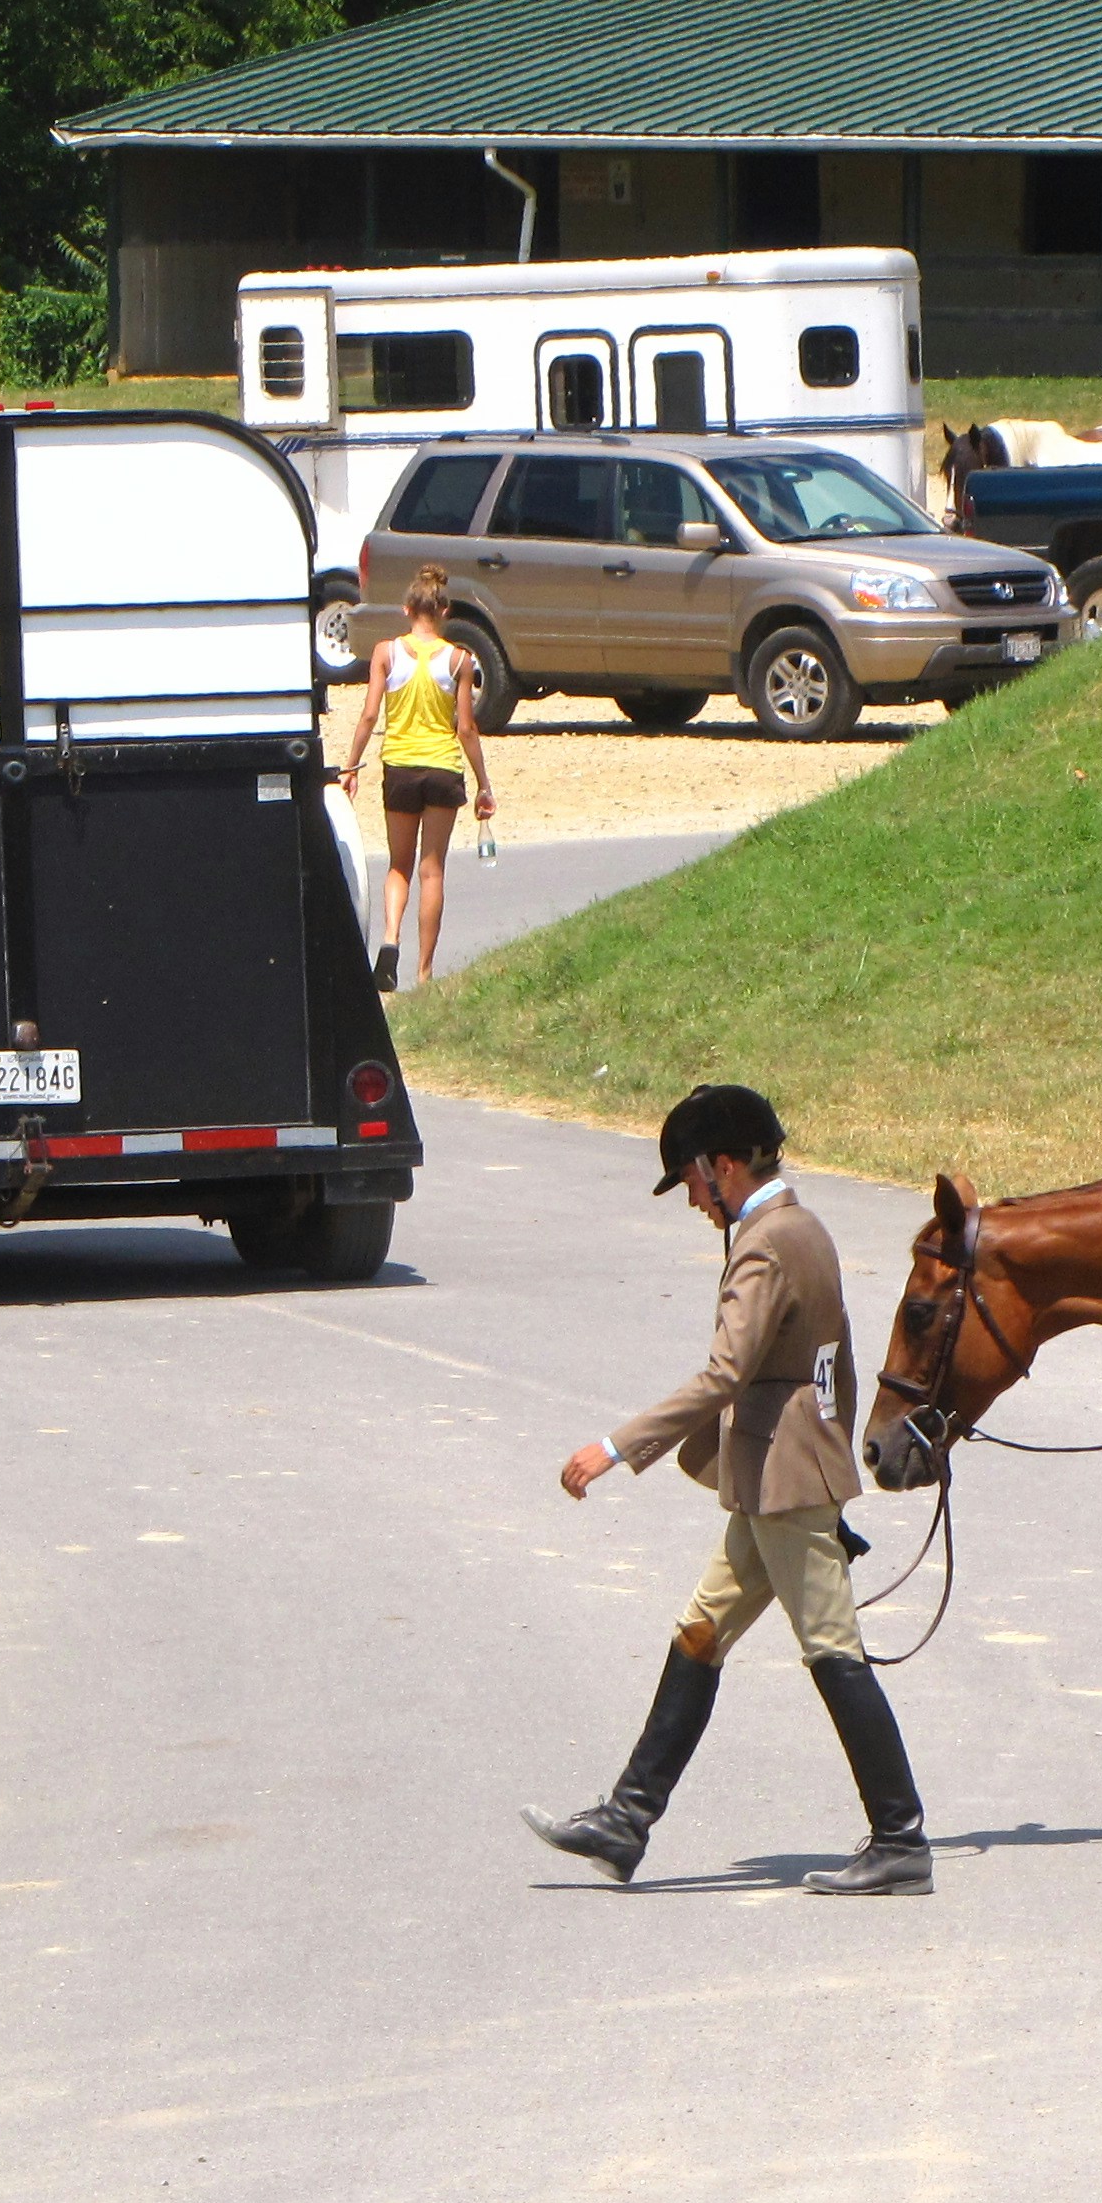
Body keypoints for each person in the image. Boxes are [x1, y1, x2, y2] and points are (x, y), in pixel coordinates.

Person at [524, 1084, 933, 1897]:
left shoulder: (764, 1245)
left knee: (832, 1651)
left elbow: (725, 1372)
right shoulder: (803, 1229)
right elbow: (835, 1369)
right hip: (775, 1480)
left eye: (691, 1182)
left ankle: (900, 1840)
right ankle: (625, 1821)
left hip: (784, 1488)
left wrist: (617, 1447)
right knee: (700, 1633)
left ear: (724, 1165)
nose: (693, 1203)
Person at [337, 564, 495, 992]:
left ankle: (390, 941)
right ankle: (424, 975)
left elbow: (370, 714)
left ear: (408, 609)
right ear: (443, 610)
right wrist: (483, 783)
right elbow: (466, 728)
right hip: (443, 768)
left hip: (400, 767)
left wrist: (350, 766)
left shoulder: (387, 653)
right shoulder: (460, 659)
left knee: (399, 866)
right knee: (433, 871)